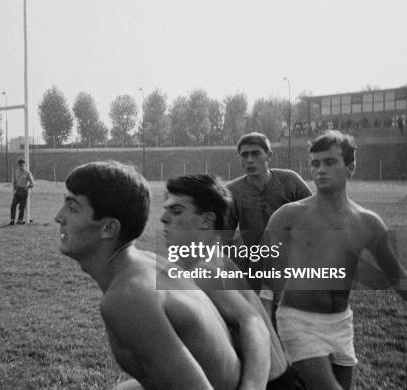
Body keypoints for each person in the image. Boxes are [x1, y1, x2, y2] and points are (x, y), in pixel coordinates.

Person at [55, 161, 242, 389]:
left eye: (72, 207)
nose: (59, 217)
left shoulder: (127, 296)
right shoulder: (146, 263)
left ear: (109, 229)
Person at [262, 131, 407, 390]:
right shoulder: (288, 217)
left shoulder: (368, 222)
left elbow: (398, 278)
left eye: (329, 162)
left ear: (350, 167)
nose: (320, 170)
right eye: (315, 163)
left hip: (341, 323)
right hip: (298, 321)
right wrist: (265, 328)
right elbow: (267, 279)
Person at [160, 174, 308, 390]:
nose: (163, 217)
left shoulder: (205, 271)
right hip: (282, 379)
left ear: (206, 220)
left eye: (176, 211)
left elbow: (252, 323)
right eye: (166, 209)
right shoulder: (212, 259)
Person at [226, 132, 311, 294]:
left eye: (256, 153)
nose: (250, 159)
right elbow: (225, 237)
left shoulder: (291, 181)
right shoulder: (232, 191)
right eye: (244, 155)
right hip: (256, 265)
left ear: (269, 155)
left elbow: (314, 218)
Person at [10, 158, 34, 225]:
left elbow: (32, 184)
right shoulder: (16, 171)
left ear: (24, 165)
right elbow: (14, 182)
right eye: (20, 164)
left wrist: (27, 187)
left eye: (22, 165)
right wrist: (14, 190)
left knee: (21, 207)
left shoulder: (27, 173)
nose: (21, 166)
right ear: (18, 165)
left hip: (24, 191)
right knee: (13, 206)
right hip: (17, 190)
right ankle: (12, 220)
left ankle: (19, 221)